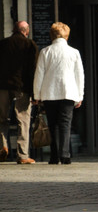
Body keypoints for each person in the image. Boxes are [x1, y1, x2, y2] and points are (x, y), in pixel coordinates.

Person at [33, 22, 84, 165]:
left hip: (49, 93)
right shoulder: (74, 52)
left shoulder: (45, 52)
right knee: (65, 124)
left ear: (52, 35)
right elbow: (79, 75)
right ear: (67, 35)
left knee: (53, 124)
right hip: (68, 92)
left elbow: (39, 75)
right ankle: (65, 154)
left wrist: (37, 95)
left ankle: (54, 156)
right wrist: (80, 95)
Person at [0, 21, 39, 164]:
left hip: (2, 86)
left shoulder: (3, 44)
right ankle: (22, 155)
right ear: (26, 31)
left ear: (13, 30)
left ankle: (2, 147)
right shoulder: (30, 45)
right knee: (23, 120)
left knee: (2, 119)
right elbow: (33, 70)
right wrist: (35, 94)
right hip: (22, 87)